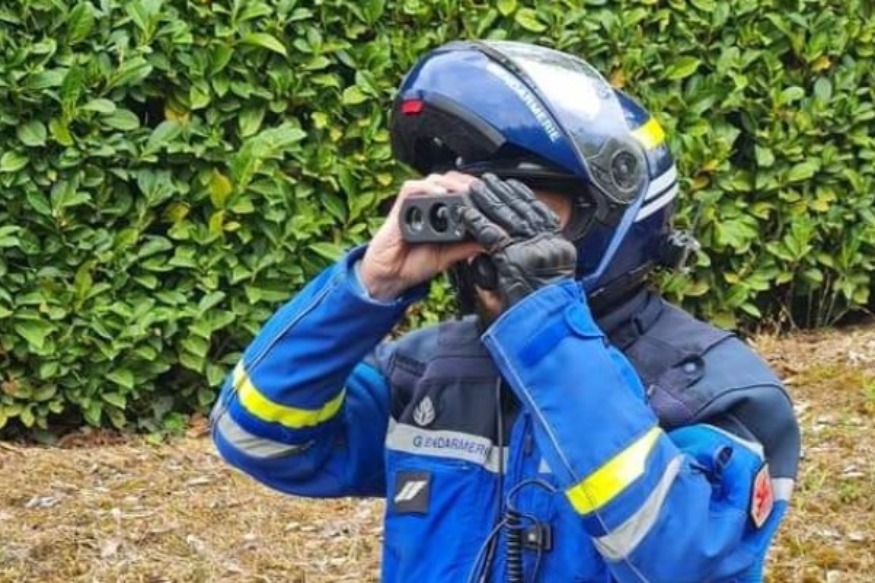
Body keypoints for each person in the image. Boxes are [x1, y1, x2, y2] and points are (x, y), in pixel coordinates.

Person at [211, 40, 800, 583]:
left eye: (519, 207)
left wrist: (546, 329)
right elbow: (258, 437)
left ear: (607, 214)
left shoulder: (718, 390)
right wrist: (370, 284)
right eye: (472, 202)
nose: (489, 232)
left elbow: (684, 561)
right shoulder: (428, 372)